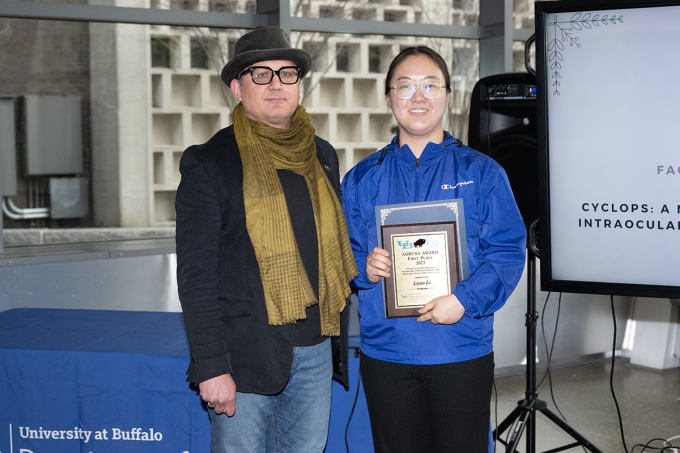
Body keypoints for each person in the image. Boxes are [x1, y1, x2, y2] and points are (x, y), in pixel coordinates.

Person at [175, 27, 358, 453]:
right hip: (242, 359)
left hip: (316, 351)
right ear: (237, 88)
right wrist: (212, 367)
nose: (276, 84)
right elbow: (196, 277)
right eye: (261, 74)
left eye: (287, 73)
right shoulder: (209, 162)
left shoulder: (323, 155)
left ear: (299, 83)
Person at [341, 46, 527, 452]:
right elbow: (341, 254)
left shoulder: (482, 173)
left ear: (448, 95)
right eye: (404, 87)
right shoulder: (360, 179)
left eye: (430, 85)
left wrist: (464, 299)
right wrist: (364, 267)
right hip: (388, 352)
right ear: (388, 98)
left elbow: (508, 251)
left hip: (459, 347)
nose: (418, 97)